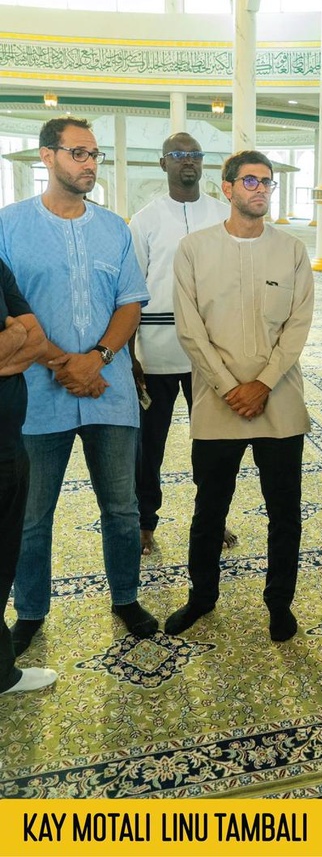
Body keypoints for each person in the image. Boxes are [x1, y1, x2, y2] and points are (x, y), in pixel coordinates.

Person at [0, 117, 158, 656]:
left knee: (121, 507)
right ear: (47, 157)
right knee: (30, 515)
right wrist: (64, 364)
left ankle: (126, 597)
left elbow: (130, 302)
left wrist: (97, 360)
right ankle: (30, 611)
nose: (89, 163)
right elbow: (8, 315)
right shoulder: (9, 226)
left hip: (108, 390)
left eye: (94, 155)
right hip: (35, 395)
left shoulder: (115, 228)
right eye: (78, 153)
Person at [167, 150, 314, 642]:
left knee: (284, 512)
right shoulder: (193, 249)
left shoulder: (292, 250)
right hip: (216, 403)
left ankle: (280, 604)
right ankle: (202, 597)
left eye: (267, 182)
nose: (259, 189)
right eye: (249, 181)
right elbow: (189, 330)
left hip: (279, 402)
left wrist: (263, 384)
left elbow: (297, 326)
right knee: (210, 508)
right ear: (226, 189)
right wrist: (232, 388)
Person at [129, 132, 237, 556]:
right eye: (178, 155)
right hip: (154, 352)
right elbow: (131, 291)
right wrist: (131, 354)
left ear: (202, 163)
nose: (187, 161)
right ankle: (143, 524)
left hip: (209, 355)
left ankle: (213, 517)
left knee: (212, 443)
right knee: (148, 448)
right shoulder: (145, 219)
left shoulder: (221, 213)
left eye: (194, 155)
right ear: (163, 164)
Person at [0, 260, 57, 694]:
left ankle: (2, 671)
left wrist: (17, 335)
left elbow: (34, 339)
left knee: (4, 557)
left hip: (8, 445)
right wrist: (12, 333)